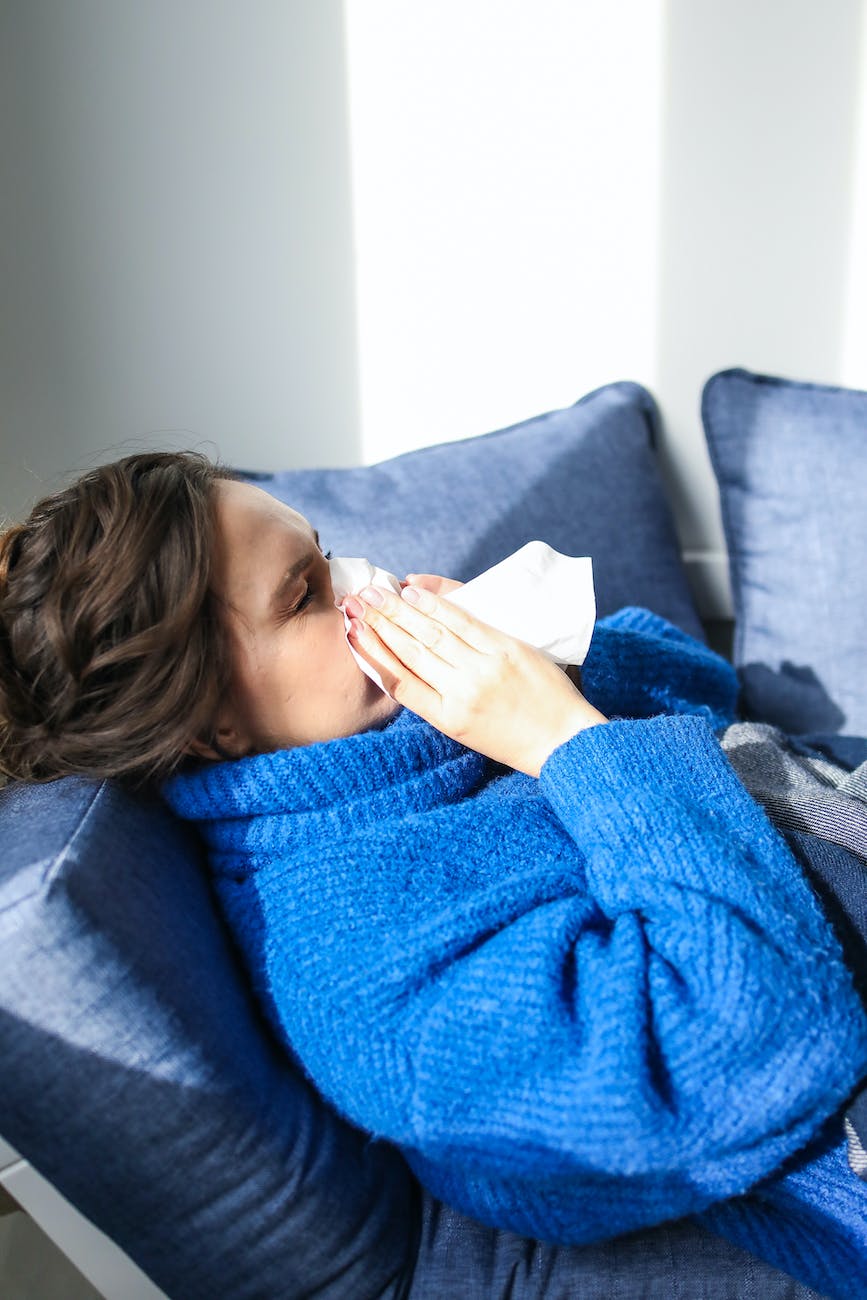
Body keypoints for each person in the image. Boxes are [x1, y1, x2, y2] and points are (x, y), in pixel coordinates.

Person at [1, 451, 866, 1298]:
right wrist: (565, 744)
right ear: (206, 723)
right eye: (307, 593)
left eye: (328, 550)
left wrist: (550, 668)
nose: (368, 582)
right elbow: (751, 1043)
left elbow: (708, 690)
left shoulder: (421, 730)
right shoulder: (354, 963)